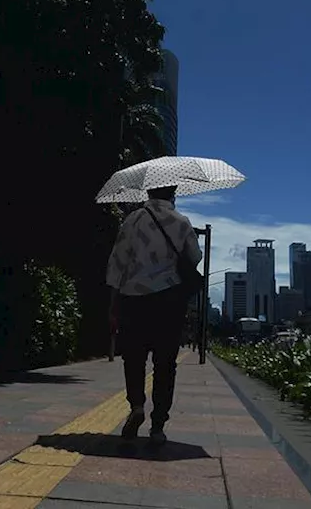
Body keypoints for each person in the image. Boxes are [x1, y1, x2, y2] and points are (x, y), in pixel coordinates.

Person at [106, 185, 203, 446]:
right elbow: (195, 257)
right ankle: (158, 424)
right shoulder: (182, 222)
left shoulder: (133, 220)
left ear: (148, 192)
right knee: (165, 363)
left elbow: (117, 263)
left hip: (133, 298)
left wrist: (114, 304)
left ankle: (137, 405)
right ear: (173, 194)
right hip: (169, 300)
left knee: (134, 358)